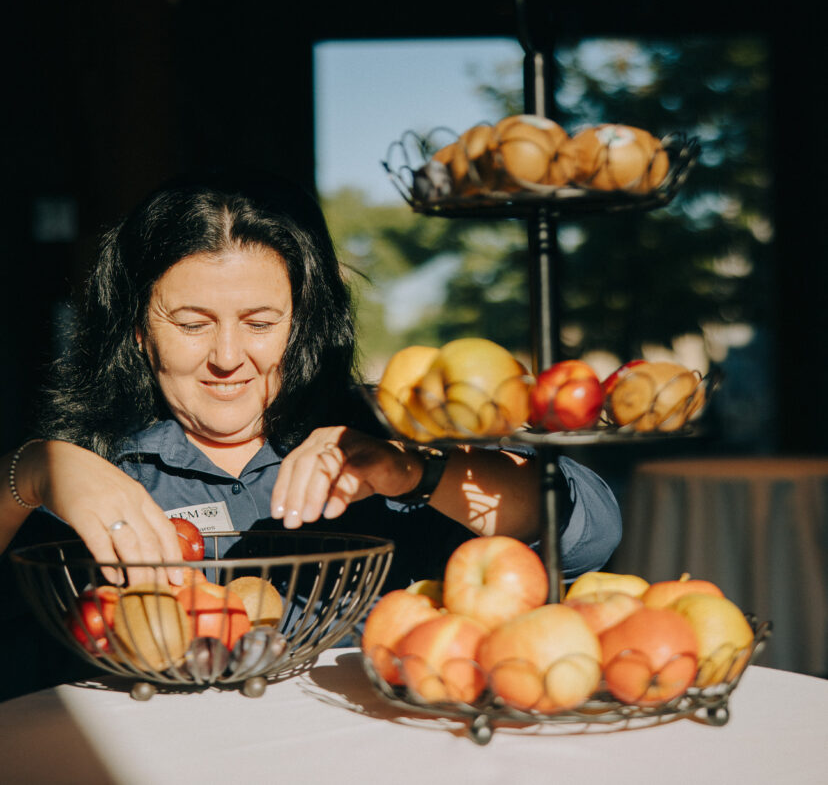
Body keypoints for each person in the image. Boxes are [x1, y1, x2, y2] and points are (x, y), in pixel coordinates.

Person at [0, 172, 621, 693]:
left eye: (260, 322)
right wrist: (31, 471)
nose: (227, 355)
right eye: (191, 324)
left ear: (301, 325)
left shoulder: (386, 433)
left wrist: (414, 471)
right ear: (141, 330)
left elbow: (589, 530)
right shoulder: (96, 467)